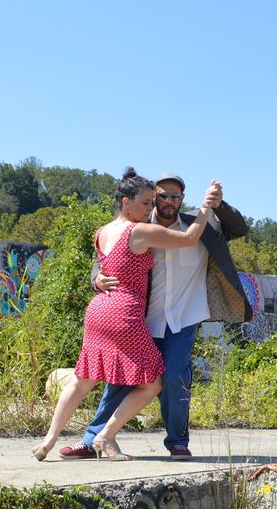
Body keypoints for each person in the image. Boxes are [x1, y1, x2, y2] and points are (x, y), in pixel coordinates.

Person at [59, 172, 253, 461]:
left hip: (184, 316)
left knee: (175, 376)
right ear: (153, 199)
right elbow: (104, 256)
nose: (168, 201)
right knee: (120, 380)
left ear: (182, 201)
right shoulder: (138, 226)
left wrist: (218, 205)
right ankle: (93, 440)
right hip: (139, 318)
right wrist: (96, 278)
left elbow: (239, 228)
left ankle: (177, 441)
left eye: (175, 196)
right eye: (162, 195)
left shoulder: (200, 225)